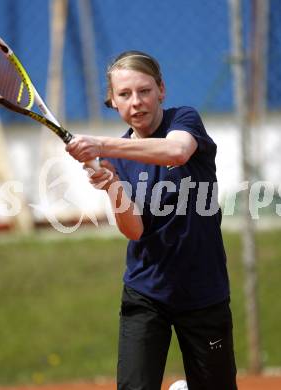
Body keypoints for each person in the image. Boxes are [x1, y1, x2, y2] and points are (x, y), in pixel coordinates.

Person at [66, 50, 237, 390]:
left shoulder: (183, 120)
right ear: (112, 101)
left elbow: (176, 151)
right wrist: (112, 184)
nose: (136, 102)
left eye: (144, 90)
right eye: (125, 94)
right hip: (147, 292)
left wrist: (101, 145)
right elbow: (135, 229)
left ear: (162, 89)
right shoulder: (121, 157)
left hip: (203, 290)